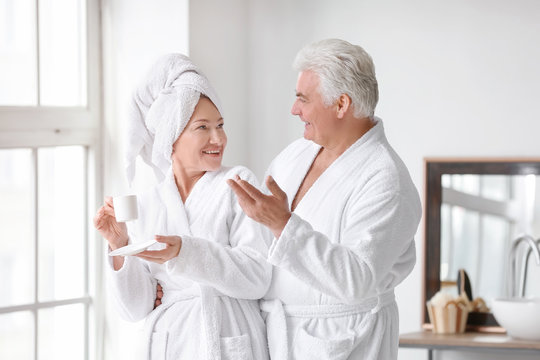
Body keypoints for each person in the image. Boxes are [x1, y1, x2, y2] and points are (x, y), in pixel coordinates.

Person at [227, 39, 422, 359]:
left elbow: (357, 279)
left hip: (344, 343)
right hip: (278, 335)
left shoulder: (386, 181)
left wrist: (283, 223)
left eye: (303, 99)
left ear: (342, 104)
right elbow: (261, 249)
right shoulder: (295, 155)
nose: (294, 109)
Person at [94, 54, 271, 360]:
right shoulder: (147, 203)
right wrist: (119, 243)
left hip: (227, 336)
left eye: (220, 125)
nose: (219, 138)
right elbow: (135, 308)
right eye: (202, 127)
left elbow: (257, 277)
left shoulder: (238, 183)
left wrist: (184, 252)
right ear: (169, 139)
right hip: (170, 343)